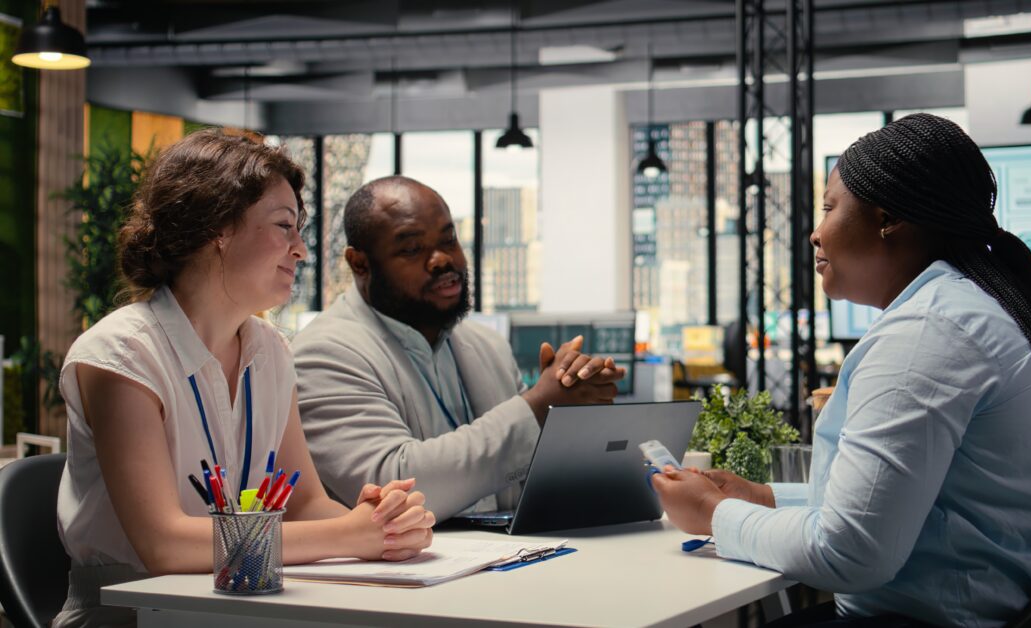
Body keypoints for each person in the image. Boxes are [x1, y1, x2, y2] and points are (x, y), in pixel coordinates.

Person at [651, 113, 1031, 627]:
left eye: (829, 208)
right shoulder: (965, 307)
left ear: (887, 218)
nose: (815, 233)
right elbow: (911, 503)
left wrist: (712, 516)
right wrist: (764, 497)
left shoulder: (926, 333)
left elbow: (850, 552)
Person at [54, 132, 435, 628]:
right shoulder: (120, 354)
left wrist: (381, 524)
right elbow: (164, 545)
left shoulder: (270, 351)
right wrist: (349, 536)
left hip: (242, 606)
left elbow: (303, 503)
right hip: (130, 615)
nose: (300, 250)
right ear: (218, 228)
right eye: (283, 227)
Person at [293, 176, 626, 522]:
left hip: (507, 565)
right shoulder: (322, 354)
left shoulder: (487, 346)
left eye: (448, 239)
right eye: (411, 248)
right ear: (359, 264)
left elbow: (525, 479)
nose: (441, 260)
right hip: (403, 572)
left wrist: (567, 412)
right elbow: (394, 486)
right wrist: (537, 406)